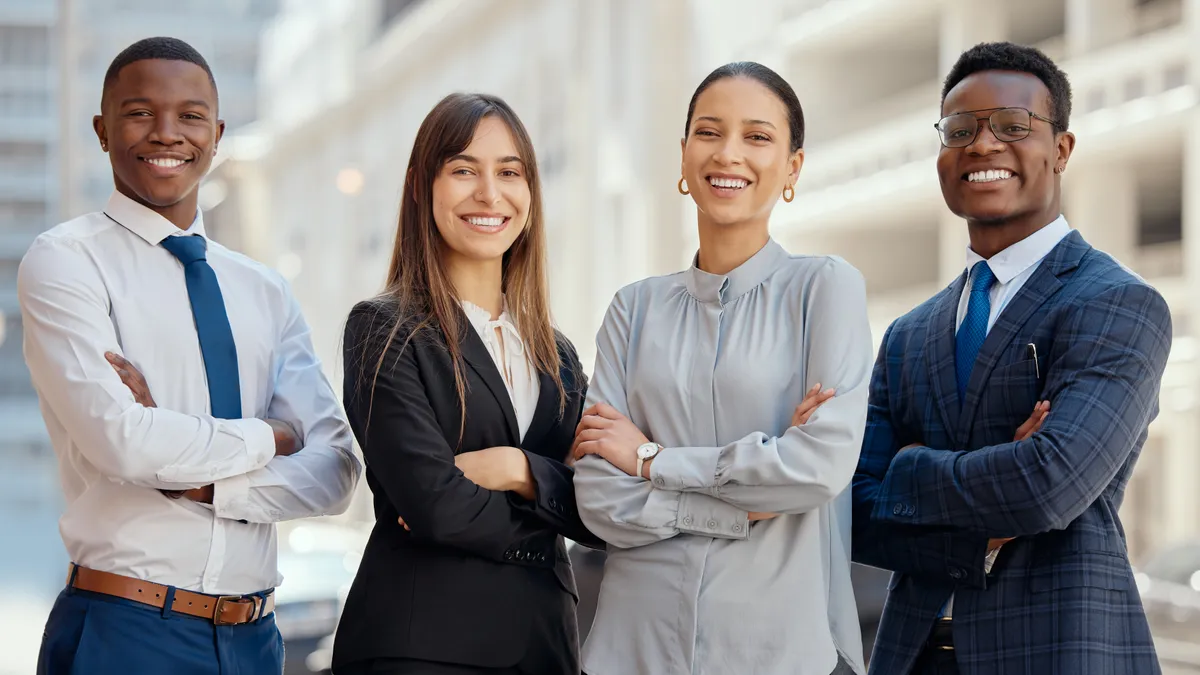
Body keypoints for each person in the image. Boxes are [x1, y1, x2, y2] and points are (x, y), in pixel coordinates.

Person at [21, 37, 361, 675]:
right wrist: (270, 435)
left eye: (190, 115)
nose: (167, 133)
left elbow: (337, 470)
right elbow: (123, 443)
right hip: (125, 633)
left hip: (257, 637)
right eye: (140, 112)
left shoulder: (263, 289)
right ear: (102, 129)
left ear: (218, 132)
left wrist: (199, 481)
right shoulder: (66, 261)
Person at [852, 41, 1171, 675]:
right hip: (912, 656)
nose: (983, 144)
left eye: (1013, 126)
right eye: (960, 129)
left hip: (1060, 649)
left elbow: (1049, 484)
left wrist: (910, 469)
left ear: (1061, 149)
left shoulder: (1118, 304)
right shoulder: (908, 333)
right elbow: (857, 511)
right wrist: (987, 520)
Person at [572, 61, 873, 675]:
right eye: (709, 133)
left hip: (773, 650)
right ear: (684, 156)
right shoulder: (634, 308)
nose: (729, 154)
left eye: (758, 137)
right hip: (632, 650)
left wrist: (651, 461)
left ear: (792, 167)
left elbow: (816, 469)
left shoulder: (825, 289)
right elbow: (598, 496)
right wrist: (744, 499)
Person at [333, 92, 602, 675]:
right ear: (419, 185)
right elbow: (437, 509)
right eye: (463, 170)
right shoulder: (385, 329)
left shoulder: (557, 355)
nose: (489, 193)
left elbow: (601, 506)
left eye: (509, 172)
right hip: (424, 647)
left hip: (545, 645)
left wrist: (518, 469)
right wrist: (552, 502)